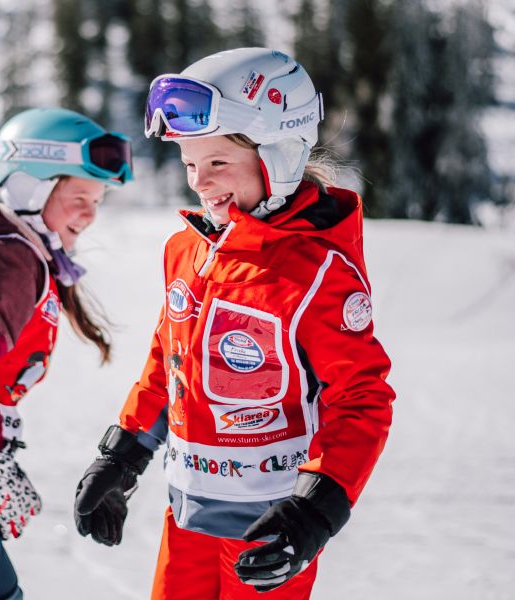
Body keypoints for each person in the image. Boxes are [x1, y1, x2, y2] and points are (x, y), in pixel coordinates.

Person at [74, 47, 395, 599]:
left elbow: (360, 399)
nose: (200, 181)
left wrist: (315, 510)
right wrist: (121, 457)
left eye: (219, 162)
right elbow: (167, 366)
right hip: (187, 516)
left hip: (269, 526)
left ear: (282, 153)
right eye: (190, 163)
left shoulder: (315, 272)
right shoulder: (188, 251)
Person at [0, 107, 133, 600]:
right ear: (32, 189)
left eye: (96, 201)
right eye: (78, 196)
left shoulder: (7, 251)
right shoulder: (10, 257)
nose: (90, 214)